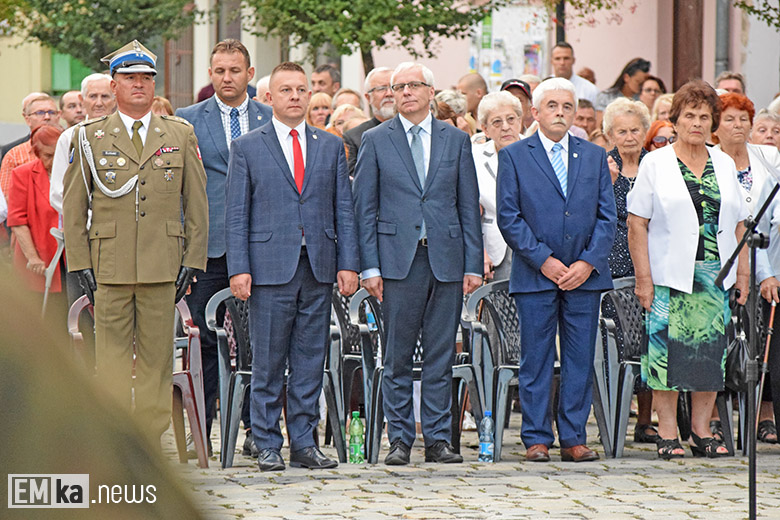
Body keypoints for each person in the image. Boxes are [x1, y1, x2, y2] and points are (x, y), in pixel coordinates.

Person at [62, 40, 208, 444]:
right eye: (129, 78)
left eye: (146, 77)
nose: (139, 84)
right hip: (109, 264)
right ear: (114, 85)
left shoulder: (179, 133)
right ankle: (113, 438)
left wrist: (192, 260)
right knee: (109, 359)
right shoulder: (89, 137)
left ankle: (147, 437)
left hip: (162, 262)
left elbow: (197, 203)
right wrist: (80, 264)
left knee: (156, 359)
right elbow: (74, 207)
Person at [225, 61, 359, 472]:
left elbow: (343, 208)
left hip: (318, 265)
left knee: (309, 359)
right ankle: (267, 442)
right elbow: (236, 213)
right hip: (268, 268)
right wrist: (238, 267)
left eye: (301, 89)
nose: (296, 97)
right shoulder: (248, 146)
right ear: (269, 97)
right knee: (267, 361)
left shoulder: (330, 145)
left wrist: (348, 263)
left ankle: (304, 442)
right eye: (286, 90)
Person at [353, 61, 483, 465]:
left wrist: (473, 264)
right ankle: (400, 440)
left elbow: (468, 206)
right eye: (398, 87)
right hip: (397, 262)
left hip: (446, 259)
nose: (405, 92)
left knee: (440, 355)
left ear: (431, 92)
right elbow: (364, 209)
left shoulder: (455, 140)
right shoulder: (376, 139)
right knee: (397, 355)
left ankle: (439, 439)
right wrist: (369, 267)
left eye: (413, 85)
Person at [627, 80, 749, 459]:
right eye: (690, 116)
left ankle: (701, 430)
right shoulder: (655, 162)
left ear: (713, 123)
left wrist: (742, 275)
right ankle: (667, 432)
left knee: (710, 355)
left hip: (715, 274)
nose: (697, 123)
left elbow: (740, 224)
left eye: (704, 117)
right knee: (666, 354)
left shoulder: (724, 162)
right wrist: (644, 280)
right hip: (668, 275)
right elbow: (637, 223)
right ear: (675, 120)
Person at [497, 77, 616, 463]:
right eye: (552, 106)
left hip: (584, 276)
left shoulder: (593, 156)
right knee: (537, 358)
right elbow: (509, 217)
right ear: (534, 112)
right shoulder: (515, 156)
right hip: (536, 275)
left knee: (580, 358)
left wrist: (586, 262)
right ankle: (536, 438)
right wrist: (544, 260)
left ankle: (574, 437)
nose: (560, 113)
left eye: (567, 106)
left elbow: (607, 217)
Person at [175, 39, 273, 458]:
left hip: (263, 243)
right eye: (219, 71)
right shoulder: (187, 120)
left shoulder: (271, 117)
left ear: (250, 74)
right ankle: (203, 428)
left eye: (235, 70)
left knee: (259, 340)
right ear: (210, 74)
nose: (227, 78)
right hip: (209, 246)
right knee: (203, 339)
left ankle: (256, 427)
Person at [713, 92, 780, 443]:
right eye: (730, 119)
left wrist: (764, 272)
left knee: (760, 344)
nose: (738, 125)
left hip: (764, 262)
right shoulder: (710, 160)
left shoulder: (768, 158)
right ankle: (713, 416)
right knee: (720, 343)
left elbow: (765, 221)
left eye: (743, 119)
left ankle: (763, 416)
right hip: (723, 263)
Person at [601, 97, 656, 444]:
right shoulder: (601, 166)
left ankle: (646, 420)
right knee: (616, 344)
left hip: (650, 263)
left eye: (635, 130)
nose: (629, 136)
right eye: (621, 131)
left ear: (645, 131)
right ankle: (613, 419)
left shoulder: (658, 165)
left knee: (650, 341)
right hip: (612, 265)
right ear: (610, 134)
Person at [7, 125, 66, 319]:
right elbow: (17, 221)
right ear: (37, 154)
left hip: (70, 258)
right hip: (40, 256)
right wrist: (33, 257)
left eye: (59, 154)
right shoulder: (22, 174)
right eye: (48, 156)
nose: (55, 160)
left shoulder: (74, 172)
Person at [51, 74, 117, 215]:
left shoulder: (126, 134)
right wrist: (90, 220)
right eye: (93, 96)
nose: (99, 103)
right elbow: (58, 192)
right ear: (82, 99)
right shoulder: (69, 137)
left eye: (105, 96)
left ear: (114, 99)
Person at [474, 91, 523, 281]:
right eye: (496, 122)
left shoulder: (538, 152)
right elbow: (468, 210)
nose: (505, 127)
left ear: (520, 121)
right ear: (485, 130)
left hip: (536, 245)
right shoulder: (474, 157)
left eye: (511, 119)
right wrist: (479, 251)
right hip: (494, 248)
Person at [1, 93, 60, 197]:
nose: (47, 117)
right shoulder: (14, 155)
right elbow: (8, 198)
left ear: (59, 116)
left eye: (52, 112)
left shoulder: (71, 148)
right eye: (40, 113)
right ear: (28, 119)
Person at [343, 67, 395, 176]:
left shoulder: (413, 130)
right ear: (368, 97)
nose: (389, 93)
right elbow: (354, 177)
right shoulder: (354, 137)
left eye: (394, 87)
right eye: (381, 89)